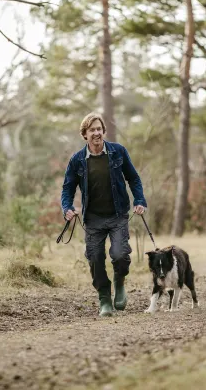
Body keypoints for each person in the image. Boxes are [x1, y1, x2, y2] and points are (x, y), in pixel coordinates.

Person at [61, 112, 147, 317]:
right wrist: (68, 208)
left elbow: (134, 179)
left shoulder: (118, 152)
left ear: (103, 131)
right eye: (92, 130)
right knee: (95, 258)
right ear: (85, 135)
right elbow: (67, 188)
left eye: (99, 129)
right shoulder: (77, 160)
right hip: (93, 219)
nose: (97, 133)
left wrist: (139, 200)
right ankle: (104, 299)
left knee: (119, 255)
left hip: (118, 215)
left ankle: (119, 282)